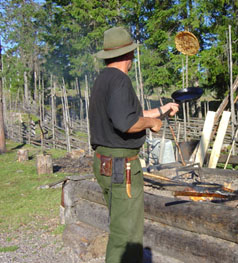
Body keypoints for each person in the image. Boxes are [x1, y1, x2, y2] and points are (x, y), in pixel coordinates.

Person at [89, 26, 179, 263]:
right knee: (126, 235)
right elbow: (126, 123)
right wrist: (152, 123)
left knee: (119, 224)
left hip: (105, 162)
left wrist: (162, 111)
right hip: (122, 167)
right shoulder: (120, 80)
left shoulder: (103, 80)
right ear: (128, 55)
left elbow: (130, 114)